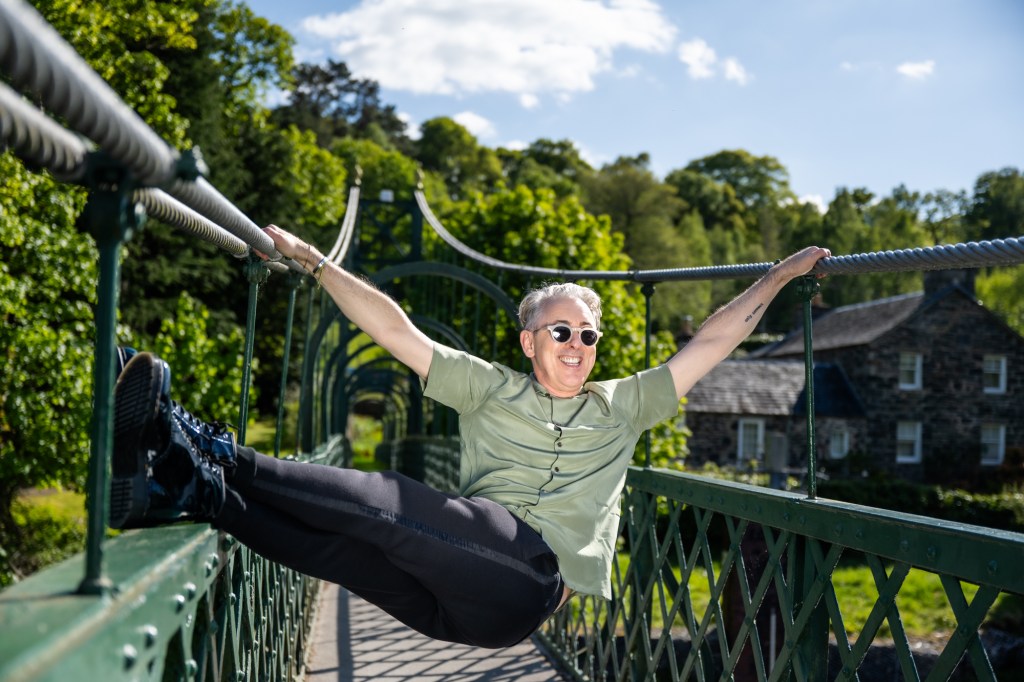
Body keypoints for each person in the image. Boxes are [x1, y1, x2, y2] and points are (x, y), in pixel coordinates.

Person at [109, 223, 830, 648]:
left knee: (393, 504)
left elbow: (710, 341)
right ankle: (190, 488)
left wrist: (780, 277)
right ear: (528, 340)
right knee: (344, 548)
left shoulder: (625, 403)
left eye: (588, 334)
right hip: (451, 594)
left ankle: (205, 447)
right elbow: (397, 329)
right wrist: (317, 263)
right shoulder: (489, 387)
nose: (578, 344)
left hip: (526, 590)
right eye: (561, 331)